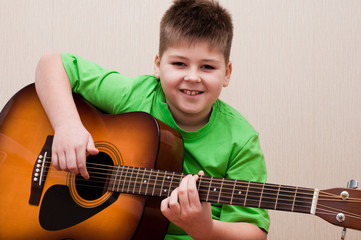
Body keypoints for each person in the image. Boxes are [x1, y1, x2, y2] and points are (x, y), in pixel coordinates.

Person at [35, 0, 270, 239]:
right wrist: (67, 126)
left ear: (227, 73)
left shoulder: (241, 141)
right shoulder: (138, 95)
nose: (192, 77)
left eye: (207, 67)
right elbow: (52, 64)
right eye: (179, 63)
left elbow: (254, 234)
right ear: (158, 66)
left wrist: (205, 229)